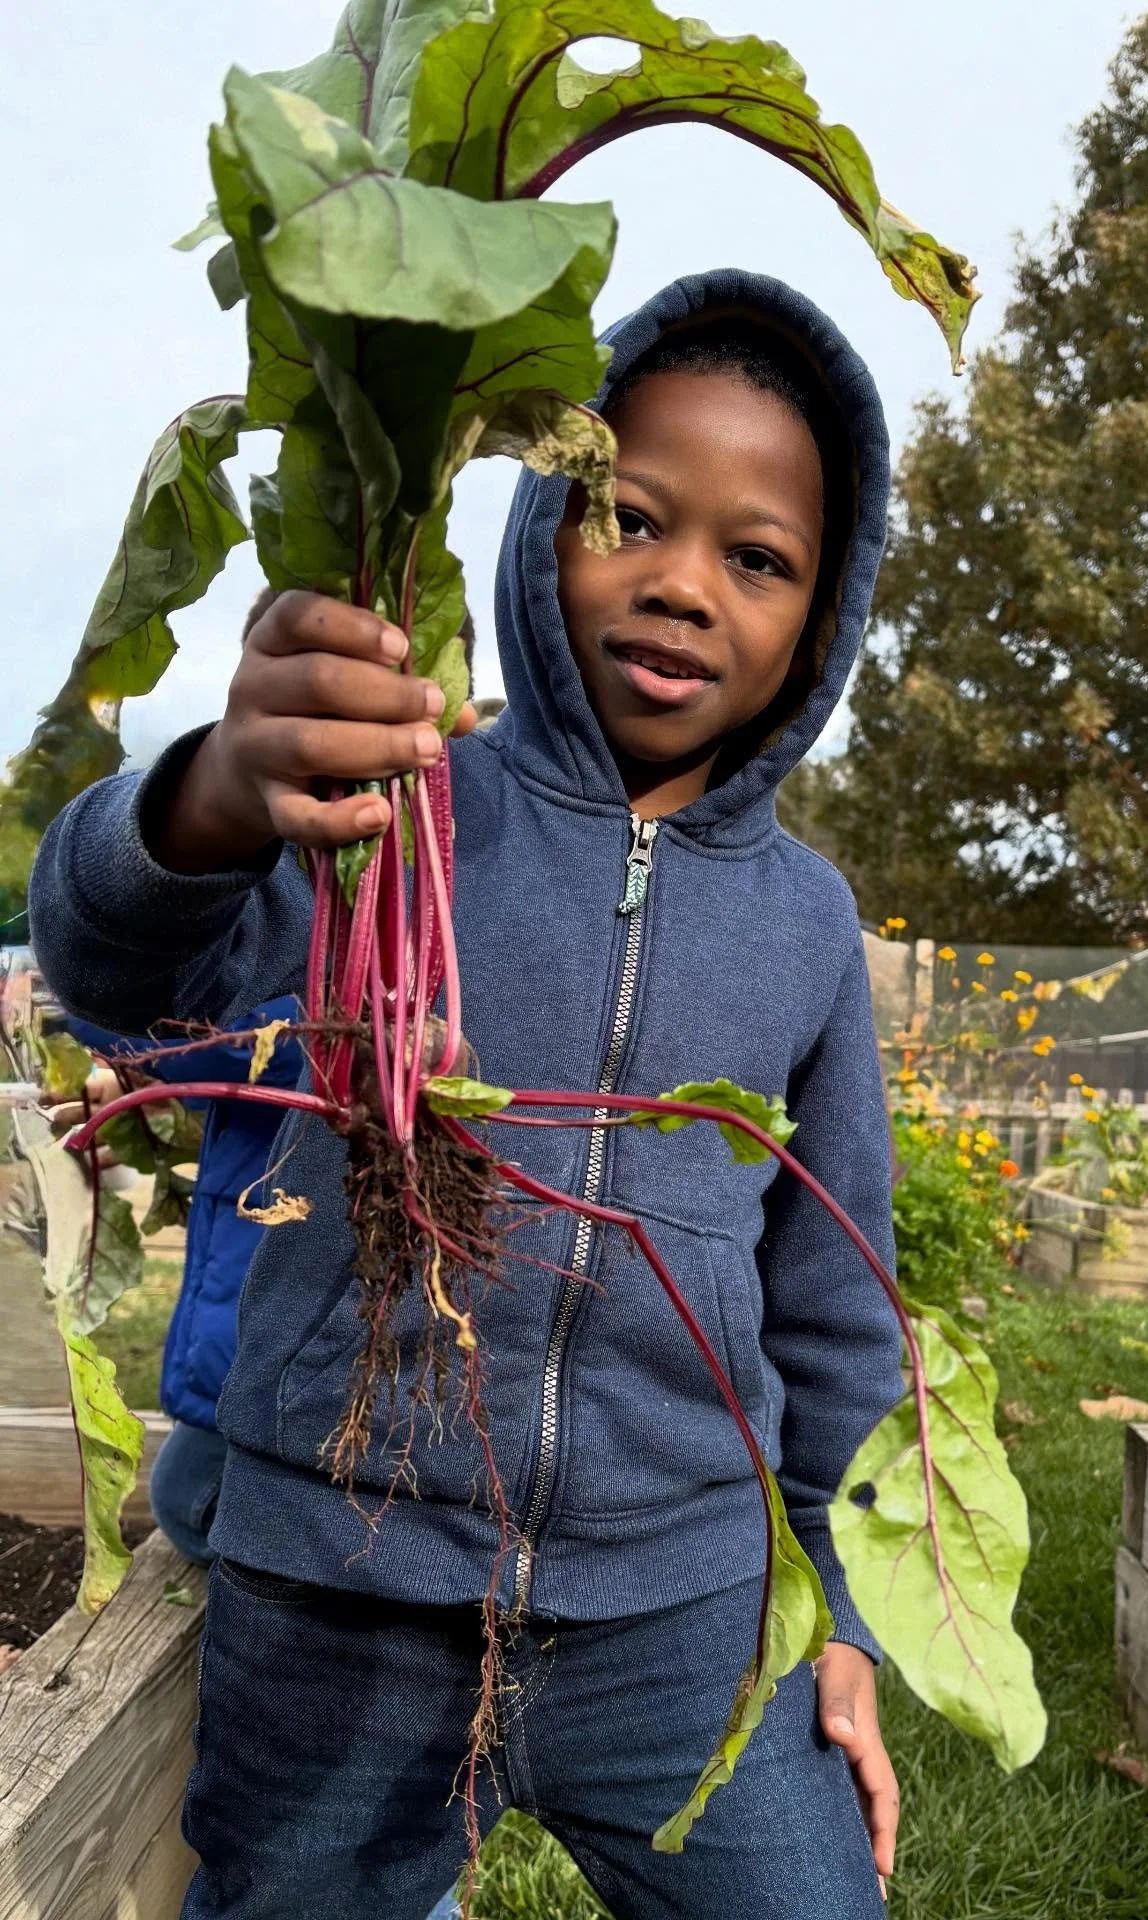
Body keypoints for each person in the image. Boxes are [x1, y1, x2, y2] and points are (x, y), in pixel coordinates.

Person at [30, 270, 903, 1920]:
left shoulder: (808, 927)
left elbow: (835, 1311)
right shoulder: (383, 795)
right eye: (627, 514)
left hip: (683, 1610)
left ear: (825, 614)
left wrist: (833, 1608)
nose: (685, 585)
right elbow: (112, 976)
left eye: (758, 558)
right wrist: (212, 797)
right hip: (347, 1586)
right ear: (531, 521)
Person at [50, 1007, 303, 1563]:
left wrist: (74, 1006)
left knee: (189, 1498)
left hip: (279, 1334)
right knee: (186, 1489)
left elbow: (257, 1040)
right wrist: (165, 1086)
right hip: (257, 1324)